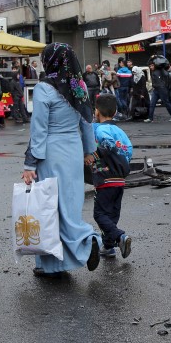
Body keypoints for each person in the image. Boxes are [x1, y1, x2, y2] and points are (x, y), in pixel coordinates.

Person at [22, 43, 102, 277]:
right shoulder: (79, 85)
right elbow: (87, 120)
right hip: (73, 150)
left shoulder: (44, 89)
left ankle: (87, 240)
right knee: (69, 204)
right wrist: (89, 150)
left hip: (51, 152)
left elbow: (39, 131)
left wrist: (30, 163)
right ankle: (54, 264)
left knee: (50, 208)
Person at [87, 93, 133, 259]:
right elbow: (129, 152)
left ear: (97, 112)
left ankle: (120, 236)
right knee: (112, 215)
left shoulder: (101, 129)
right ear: (114, 112)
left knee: (99, 214)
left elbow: (106, 143)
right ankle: (108, 247)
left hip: (105, 177)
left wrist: (96, 153)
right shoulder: (120, 131)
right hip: (119, 180)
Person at [144, 57, 171, 123]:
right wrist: (152, 58)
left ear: (155, 65)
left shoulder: (161, 70)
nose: (151, 67)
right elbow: (148, 62)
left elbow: (166, 74)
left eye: (152, 66)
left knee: (166, 103)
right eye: (150, 66)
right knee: (152, 103)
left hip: (162, 89)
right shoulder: (153, 71)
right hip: (156, 89)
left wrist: (163, 85)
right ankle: (150, 118)